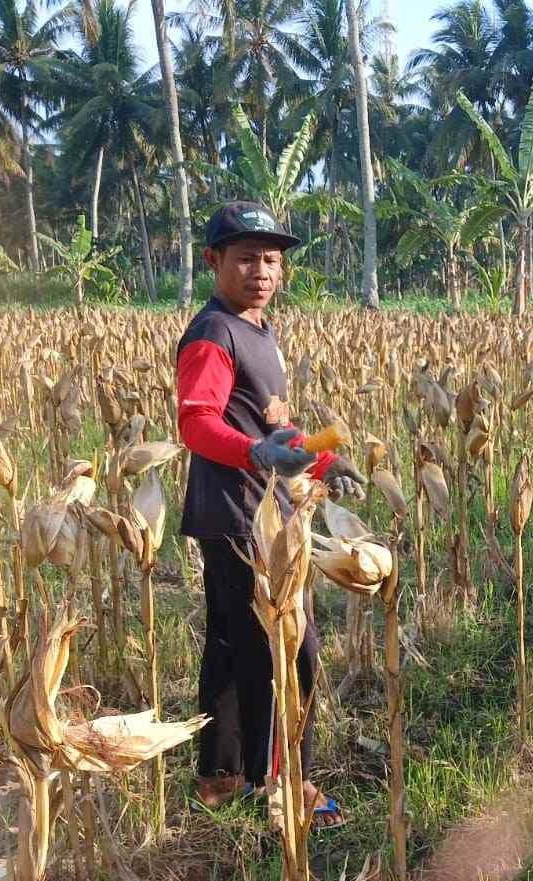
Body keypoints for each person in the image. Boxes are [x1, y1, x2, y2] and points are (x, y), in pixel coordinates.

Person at [174, 200, 366, 828]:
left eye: (272, 260)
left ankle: (223, 774)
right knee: (287, 648)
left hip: (261, 510)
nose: (261, 270)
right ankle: (283, 783)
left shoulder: (256, 330)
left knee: (233, 645)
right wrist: (255, 452)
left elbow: (271, 425)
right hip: (239, 514)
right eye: (247, 258)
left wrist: (320, 463)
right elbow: (197, 424)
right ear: (214, 262)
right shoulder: (214, 333)